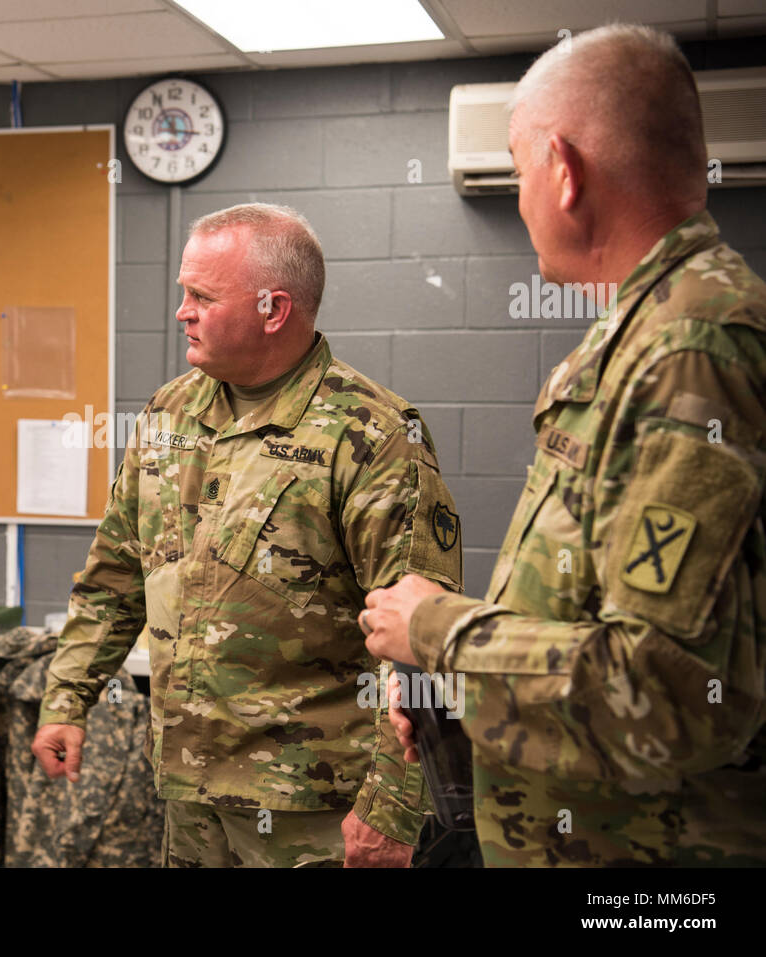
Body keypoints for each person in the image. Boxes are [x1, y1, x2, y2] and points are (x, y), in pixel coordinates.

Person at [362, 24, 766, 866]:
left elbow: (660, 691)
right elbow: (588, 616)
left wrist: (436, 631)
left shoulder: (693, 344)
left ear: (564, 170)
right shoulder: (651, 333)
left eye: (517, 172)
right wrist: (462, 696)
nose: (519, 198)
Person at [32, 203, 464, 867]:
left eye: (201, 295)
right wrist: (67, 697)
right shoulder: (168, 414)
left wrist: (392, 807)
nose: (183, 311)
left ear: (273, 308)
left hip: (316, 809)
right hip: (188, 790)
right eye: (184, 292)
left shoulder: (373, 436)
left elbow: (419, 644)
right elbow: (116, 571)